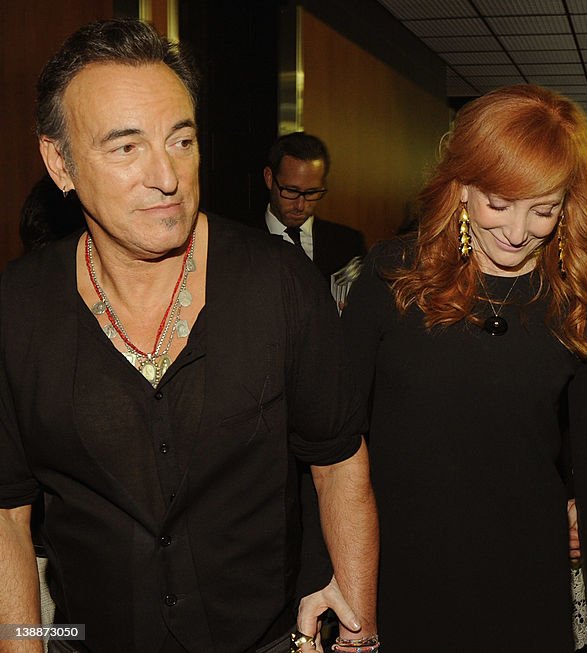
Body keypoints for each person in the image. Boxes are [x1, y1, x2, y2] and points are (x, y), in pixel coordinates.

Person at [0, 19, 377, 653]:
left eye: (181, 140)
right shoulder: (16, 306)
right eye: (125, 148)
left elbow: (338, 464)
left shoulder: (282, 285)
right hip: (80, 636)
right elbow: (7, 512)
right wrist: (24, 643)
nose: (166, 176)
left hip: (270, 639)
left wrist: (359, 629)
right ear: (59, 162)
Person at [340, 84, 587, 652]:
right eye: (500, 203)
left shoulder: (579, 299)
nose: (518, 232)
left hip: (526, 579)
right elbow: (333, 443)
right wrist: (328, 577)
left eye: (543, 210)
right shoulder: (394, 278)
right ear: (462, 185)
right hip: (401, 573)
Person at [263, 132, 366, 279]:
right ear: (269, 178)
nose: (300, 205)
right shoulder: (238, 242)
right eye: (291, 191)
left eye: (311, 192)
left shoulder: (349, 243)